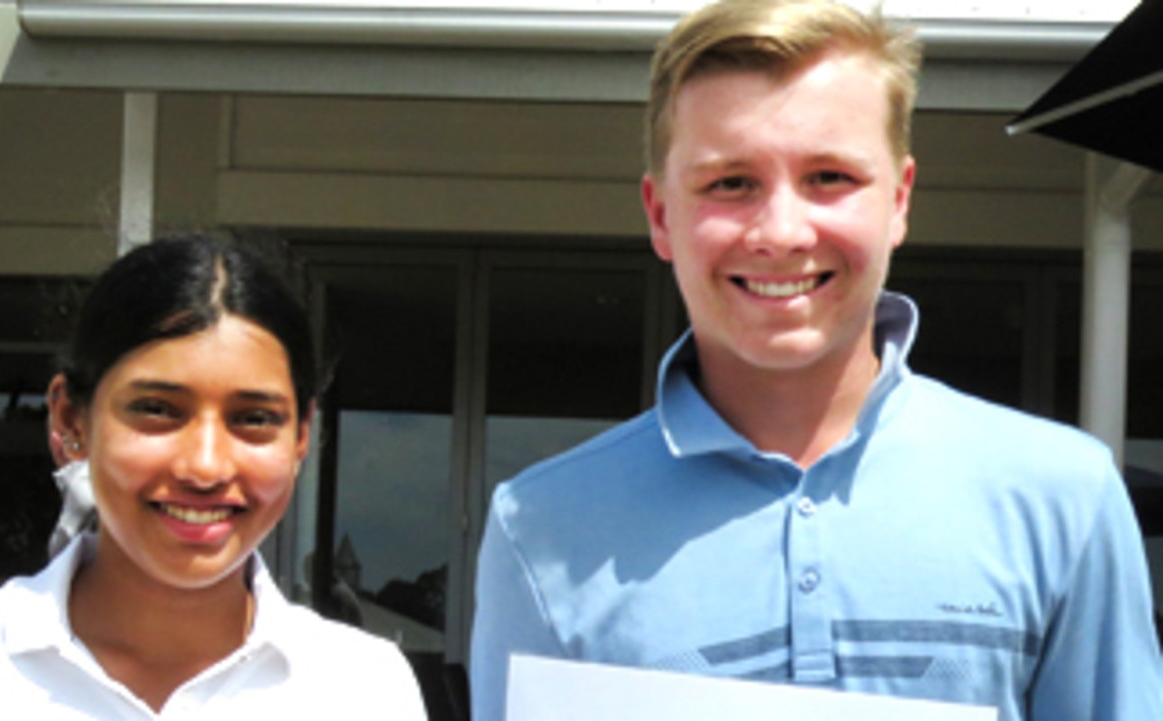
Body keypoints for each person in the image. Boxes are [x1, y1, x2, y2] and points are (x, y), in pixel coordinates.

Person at [470, 2, 1163, 721]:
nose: (781, 231)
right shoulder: (542, 528)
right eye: (730, 183)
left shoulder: (1064, 498)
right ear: (659, 215)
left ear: (898, 199)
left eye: (829, 176)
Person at [0, 235, 428, 719]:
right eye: (158, 410)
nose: (206, 466)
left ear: (301, 437)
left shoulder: (363, 692)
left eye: (254, 419)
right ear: (71, 420)